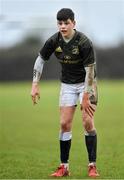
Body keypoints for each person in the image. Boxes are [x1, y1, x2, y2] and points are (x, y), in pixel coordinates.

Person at [31, 8, 99, 178]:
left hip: (87, 84)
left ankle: (92, 165)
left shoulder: (84, 42)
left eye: (66, 23)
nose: (62, 26)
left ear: (73, 23)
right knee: (64, 124)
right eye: (60, 23)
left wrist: (86, 95)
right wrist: (35, 84)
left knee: (87, 123)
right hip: (67, 85)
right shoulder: (54, 40)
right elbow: (40, 59)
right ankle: (64, 167)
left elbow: (90, 70)